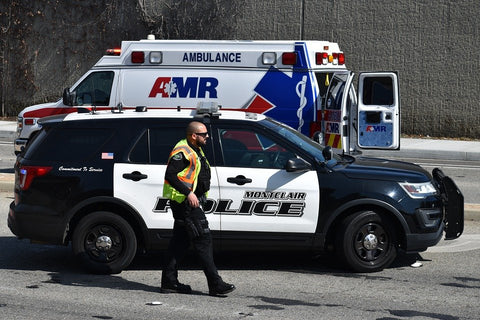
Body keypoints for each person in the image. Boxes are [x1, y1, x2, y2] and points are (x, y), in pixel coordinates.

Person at [161, 121, 236, 296]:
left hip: (188, 203)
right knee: (203, 239)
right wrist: (189, 193)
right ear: (193, 135)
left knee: (180, 242)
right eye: (204, 134)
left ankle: (169, 282)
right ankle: (215, 283)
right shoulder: (183, 151)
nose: (207, 136)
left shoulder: (195, 149)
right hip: (185, 203)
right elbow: (170, 175)